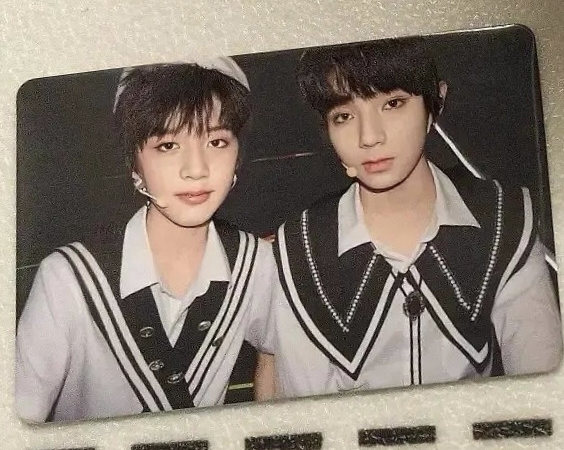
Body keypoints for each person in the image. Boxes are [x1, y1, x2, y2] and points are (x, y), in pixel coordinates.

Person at [264, 37, 563, 399]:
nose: (369, 137)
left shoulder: (504, 218)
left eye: (393, 103)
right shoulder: (300, 249)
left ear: (435, 103)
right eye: (344, 116)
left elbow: (542, 390)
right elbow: (307, 415)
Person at [16, 58, 276, 422]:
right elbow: (20, 418)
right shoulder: (68, 278)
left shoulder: (255, 263)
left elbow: (277, 352)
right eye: (168, 145)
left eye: (217, 141)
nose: (196, 169)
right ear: (134, 165)